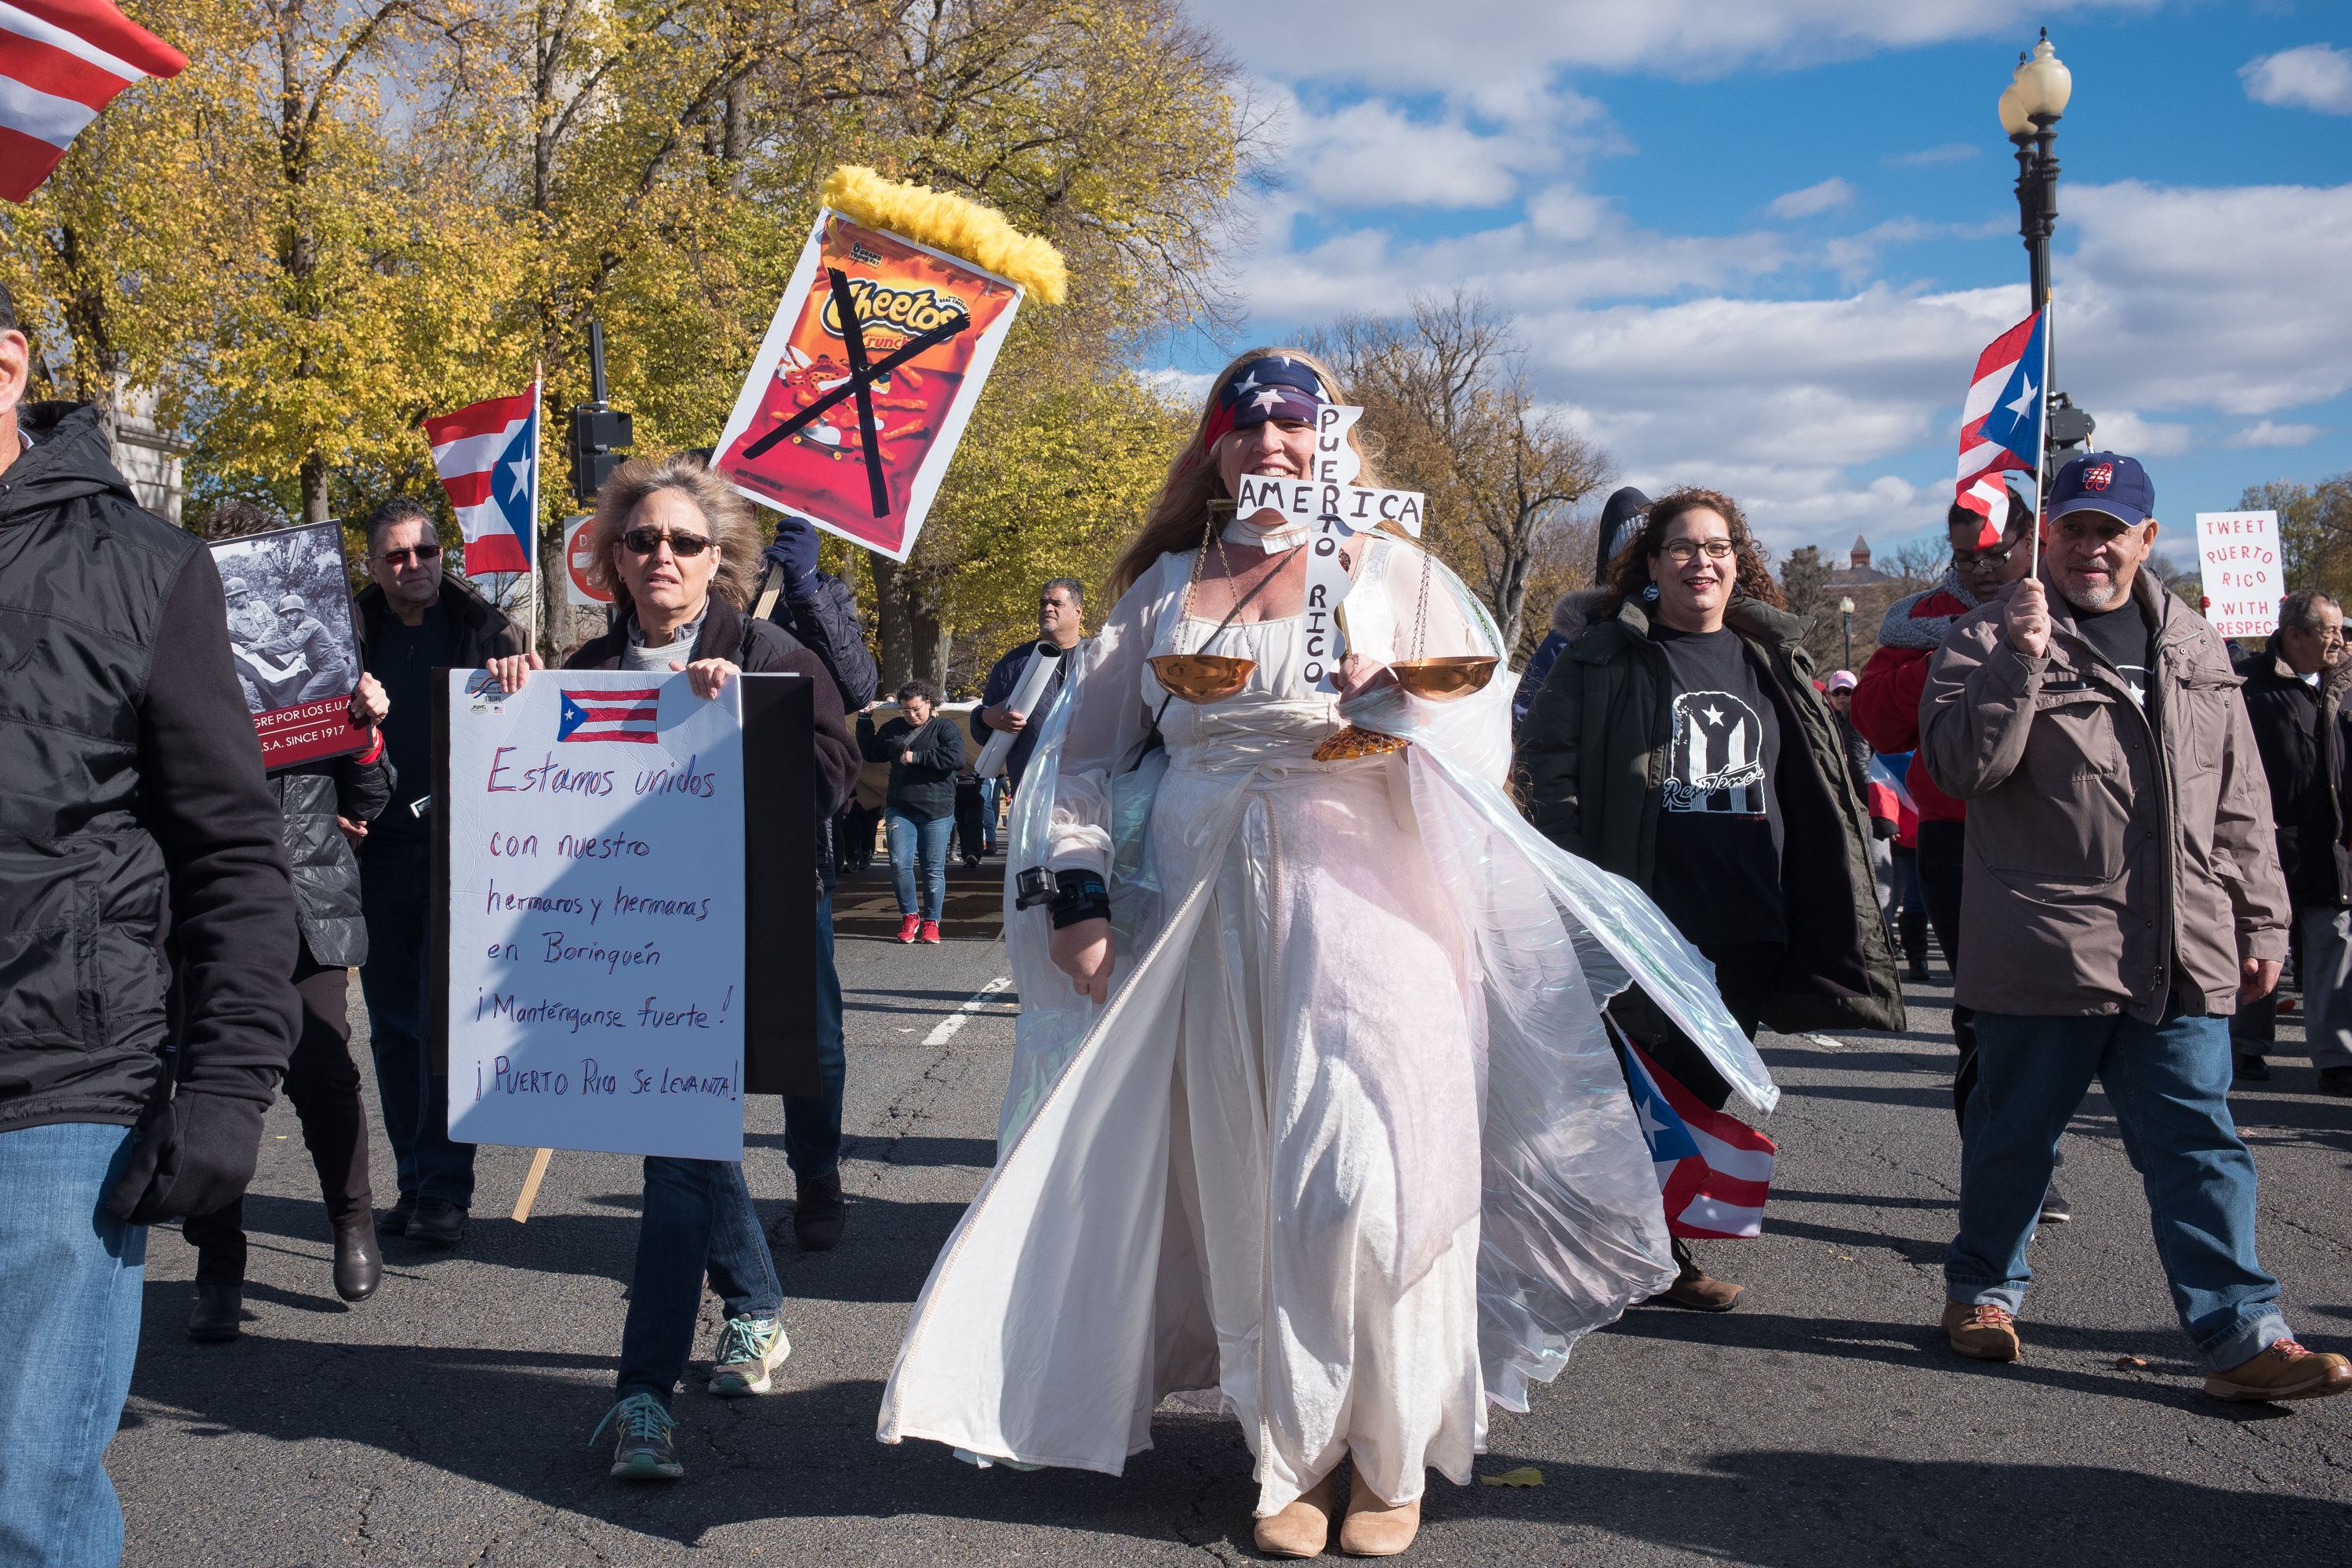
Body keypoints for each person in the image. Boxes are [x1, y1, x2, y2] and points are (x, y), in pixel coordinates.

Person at [879, 349, 1767, 1560]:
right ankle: (1287, 1451)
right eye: (1243, 431)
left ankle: (1391, 1449)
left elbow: (1483, 732)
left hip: (1378, 913)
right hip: (1211, 928)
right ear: (1215, 451)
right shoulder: (1167, 592)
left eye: (1294, 428)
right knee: (1249, 1190)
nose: (1270, 448)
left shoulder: (1399, 576)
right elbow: (1080, 762)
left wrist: (1395, 698)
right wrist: (1076, 901)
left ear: (1333, 443)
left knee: (1366, 1183)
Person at [1916, 451, 2348, 1400]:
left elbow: (2239, 793)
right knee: (2015, 1136)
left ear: (2147, 539)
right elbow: (1957, 769)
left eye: (2111, 532)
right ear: (2043, 536)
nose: (2091, 549)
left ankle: (2243, 1334)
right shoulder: (1984, 636)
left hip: (2180, 949)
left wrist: (2264, 920)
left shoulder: (2197, 643)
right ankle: (1984, 1287)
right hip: (2045, 945)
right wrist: (2019, 663)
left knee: (2202, 1145)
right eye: (2072, 528)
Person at [0, 287, 302, 1565]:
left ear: (7, 361)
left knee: (23, 1500)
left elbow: (232, 847)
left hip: (62, 1092)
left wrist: (228, 1087)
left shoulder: (142, 568)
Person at [488, 453, 859, 1480]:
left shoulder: (776, 653)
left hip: (741, 938)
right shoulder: (589, 669)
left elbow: (830, 784)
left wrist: (749, 714)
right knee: (684, 1139)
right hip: (626, 950)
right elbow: (532, 794)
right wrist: (512, 700)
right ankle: (755, 1308)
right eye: (642, 539)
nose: (663, 555)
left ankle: (643, 1395)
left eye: (685, 541)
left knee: (675, 1147)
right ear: (610, 559)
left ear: (718, 560)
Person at [1515, 488, 1903, 1312]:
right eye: (1683, 547)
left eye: (1718, 546)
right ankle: (1636, 1250)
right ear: (1651, 565)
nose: (1702, 561)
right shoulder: (1607, 654)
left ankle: (1643, 1243)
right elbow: (1545, 761)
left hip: (1751, 915)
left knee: (1700, 1087)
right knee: (1632, 1090)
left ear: (1739, 560)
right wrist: (1580, 871)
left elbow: (1817, 776)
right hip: (1647, 919)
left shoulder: (1772, 657)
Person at [183, 502, 397, 1342]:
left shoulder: (323, 667)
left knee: (325, 1074)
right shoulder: (183, 662)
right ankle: (218, 1265)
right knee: (211, 1089)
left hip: (306, 904)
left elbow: (373, 801)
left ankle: (352, 1220)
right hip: (207, 906)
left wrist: (365, 732)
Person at [1849, 491, 2074, 1218]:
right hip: (1959, 835)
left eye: (1995, 553)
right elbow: (1876, 721)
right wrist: (1968, 649)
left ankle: (2032, 1153)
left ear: (2031, 540)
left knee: (2060, 1011)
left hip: (2062, 839)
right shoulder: (1922, 621)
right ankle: (1998, 1173)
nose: (1978, 568)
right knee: (1981, 1011)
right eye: (1963, 556)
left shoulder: (2080, 603)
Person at [354, 497, 526, 1249]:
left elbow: (530, 718)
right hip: (374, 849)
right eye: (396, 556)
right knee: (392, 1027)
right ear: (373, 565)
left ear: (442, 553)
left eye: (425, 551)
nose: (414, 565)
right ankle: (412, 1181)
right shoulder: (342, 634)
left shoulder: (487, 628)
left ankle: (446, 1189)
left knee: (447, 1026)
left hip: (466, 846)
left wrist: (524, 672)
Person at [2231, 589, 2352, 1094]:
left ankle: (2336, 1059)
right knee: (2259, 947)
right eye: (2330, 632)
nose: (2341, 641)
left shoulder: (2345, 682)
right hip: (2268, 844)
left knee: (2335, 943)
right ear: (2294, 635)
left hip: (2333, 844)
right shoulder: (2249, 687)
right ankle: (2245, 1050)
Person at [1512, 485, 1650, 734]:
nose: (1641, 573)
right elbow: (1524, 720)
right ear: (1611, 569)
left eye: (1650, 558)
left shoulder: (1685, 627)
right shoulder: (1570, 639)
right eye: (1628, 563)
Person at [858, 681, 963, 944]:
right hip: (900, 807)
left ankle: (931, 922)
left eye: (916, 709)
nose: (912, 715)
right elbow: (871, 752)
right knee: (898, 864)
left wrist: (917, 758)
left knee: (933, 869)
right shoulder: (893, 728)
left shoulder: (945, 728)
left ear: (929, 702)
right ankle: (910, 915)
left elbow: (956, 758)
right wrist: (863, 718)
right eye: (906, 711)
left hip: (937, 809)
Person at [972, 577, 1088, 789]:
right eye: (1043, 603)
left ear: (1077, 611)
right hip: (1030, 788)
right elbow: (983, 730)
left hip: (1088, 785)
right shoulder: (1011, 664)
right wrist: (985, 718)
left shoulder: (1100, 659)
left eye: (1056, 604)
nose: (1047, 608)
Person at [249, 591, 358, 702]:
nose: (288, 618)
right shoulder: (306, 625)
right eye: (286, 615)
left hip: (331, 669)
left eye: (292, 613)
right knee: (346, 702)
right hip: (337, 667)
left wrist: (261, 647)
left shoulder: (307, 625)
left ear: (302, 612)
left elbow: (290, 643)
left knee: (304, 699)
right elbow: (299, 647)